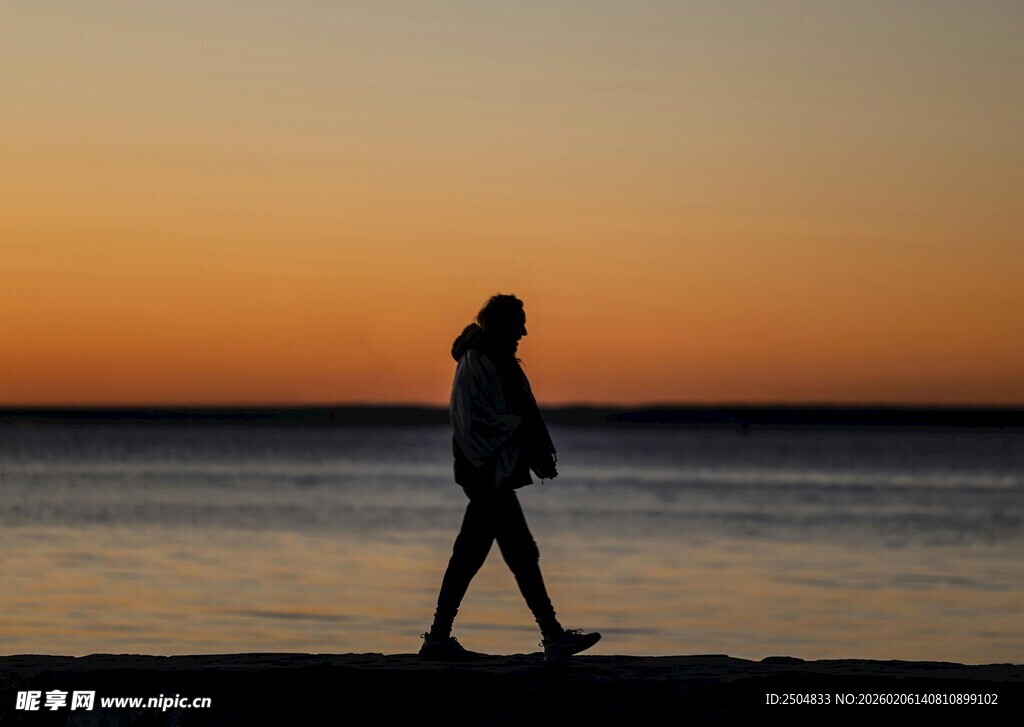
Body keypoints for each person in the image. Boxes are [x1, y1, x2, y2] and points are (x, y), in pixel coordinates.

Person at [420, 293, 601, 663]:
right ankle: (549, 637)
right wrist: (523, 441)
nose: (524, 331)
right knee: (506, 553)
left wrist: (529, 447)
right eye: (519, 323)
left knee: (492, 553)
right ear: (502, 324)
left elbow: (510, 412)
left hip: (495, 470)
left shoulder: (496, 361)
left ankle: (442, 636)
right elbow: (478, 420)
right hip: (487, 471)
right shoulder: (478, 361)